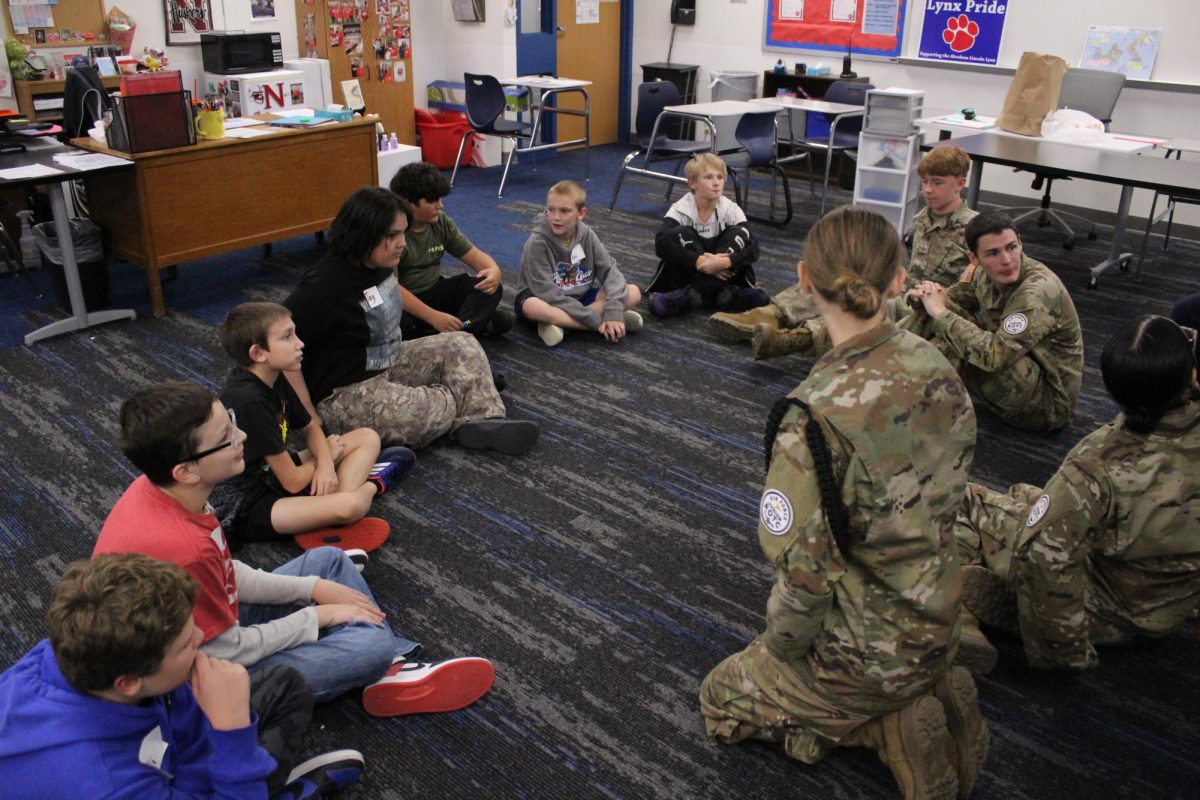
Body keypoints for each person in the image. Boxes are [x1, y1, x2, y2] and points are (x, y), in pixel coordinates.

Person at [698, 206, 987, 800]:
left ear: (805, 281)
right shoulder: (938, 365)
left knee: (719, 696)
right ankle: (926, 684)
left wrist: (777, 653)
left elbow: (805, 582)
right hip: (941, 613)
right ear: (899, 282)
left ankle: (879, 724)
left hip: (866, 655)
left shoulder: (812, 417)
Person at [94, 381, 496, 720]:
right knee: (367, 645)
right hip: (188, 683)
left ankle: (383, 657)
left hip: (203, 629)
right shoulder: (180, 546)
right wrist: (315, 615)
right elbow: (228, 649)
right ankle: (386, 662)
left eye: (231, 423)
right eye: (226, 438)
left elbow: (223, 570)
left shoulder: (167, 489)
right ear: (186, 470)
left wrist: (311, 589)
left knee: (329, 562)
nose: (243, 437)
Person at [0, 552, 364, 799]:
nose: (201, 638)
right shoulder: (105, 783)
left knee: (286, 685)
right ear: (129, 682)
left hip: (155, 758)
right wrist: (233, 731)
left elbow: (176, 717)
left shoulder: (77, 649)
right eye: (186, 644)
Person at [953, 314, 1200, 672]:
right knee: (1029, 498)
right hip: (1168, 603)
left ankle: (954, 609)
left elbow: (1044, 556)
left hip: (1107, 610)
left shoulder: (1095, 466)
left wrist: (1061, 653)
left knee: (966, 500)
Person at [283, 187, 538, 454]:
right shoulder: (322, 287)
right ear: (363, 234)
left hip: (385, 363)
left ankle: (485, 419)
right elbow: (280, 348)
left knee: (461, 343)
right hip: (343, 392)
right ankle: (467, 391)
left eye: (403, 232)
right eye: (392, 235)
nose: (402, 242)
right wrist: (308, 416)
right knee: (432, 409)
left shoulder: (379, 264)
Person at [712, 147, 979, 360]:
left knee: (872, 303)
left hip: (935, 302)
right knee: (835, 276)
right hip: (908, 286)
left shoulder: (974, 229)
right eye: (925, 183)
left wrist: (936, 299)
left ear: (960, 183)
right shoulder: (923, 218)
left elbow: (975, 287)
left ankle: (794, 339)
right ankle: (770, 313)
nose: (928, 190)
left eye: (938, 183)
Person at [214, 301, 416, 552]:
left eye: (295, 333)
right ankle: (373, 483)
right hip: (249, 501)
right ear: (258, 353)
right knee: (349, 507)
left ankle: (322, 516)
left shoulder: (272, 375)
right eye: (287, 337)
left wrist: (326, 466)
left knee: (367, 436)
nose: (300, 343)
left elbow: (309, 427)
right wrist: (326, 459)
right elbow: (293, 482)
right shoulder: (249, 401)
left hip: (272, 472)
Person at [905, 210, 1084, 432]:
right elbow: (950, 299)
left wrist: (940, 313)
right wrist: (921, 296)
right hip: (1018, 377)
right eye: (993, 253)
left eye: (1012, 247)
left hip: (1047, 406)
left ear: (1021, 243)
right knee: (932, 311)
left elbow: (996, 357)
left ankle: (905, 412)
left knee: (949, 332)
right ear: (974, 258)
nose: (1007, 260)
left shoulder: (1037, 291)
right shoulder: (982, 274)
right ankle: (882, 367)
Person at [388, 161, 513, 338]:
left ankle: (455, 331)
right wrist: (432, 316)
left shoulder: (440, 221)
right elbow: (391, 288)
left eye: (440, 199)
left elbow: (475, 256)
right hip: (406, 302)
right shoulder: (391, 232)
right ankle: (470, 326)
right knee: (397, 324)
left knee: (491, 288)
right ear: (408, 203)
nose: (441, 206)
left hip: (436, 291)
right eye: (433, 200)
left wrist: (494, 272)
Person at [514, 179, 643, 347]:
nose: (556, 217)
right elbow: (548, 294)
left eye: (564, 211)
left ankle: (562, 326)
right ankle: (605, 325)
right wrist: (597, 320)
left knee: (633, 292)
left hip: (580, 297)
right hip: (545, 299)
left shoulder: (587, 235)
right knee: (534, 307)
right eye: (551, 210)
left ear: (581, 213)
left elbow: (610, 271)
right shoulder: (537, 243)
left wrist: (612, 310)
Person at [648, 153, 766, 318]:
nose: (716, 183)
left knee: (739, 234)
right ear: (692, 183)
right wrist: (700, 262)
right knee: (680, 233)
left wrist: (724, 262)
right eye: (708, 177)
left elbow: (753, 247)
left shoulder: (731, 209)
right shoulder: (681, 208)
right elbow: (661, 243)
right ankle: (727, 295)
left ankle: (689, 295)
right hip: (689, 272)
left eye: (720, 177)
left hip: (725, 270)